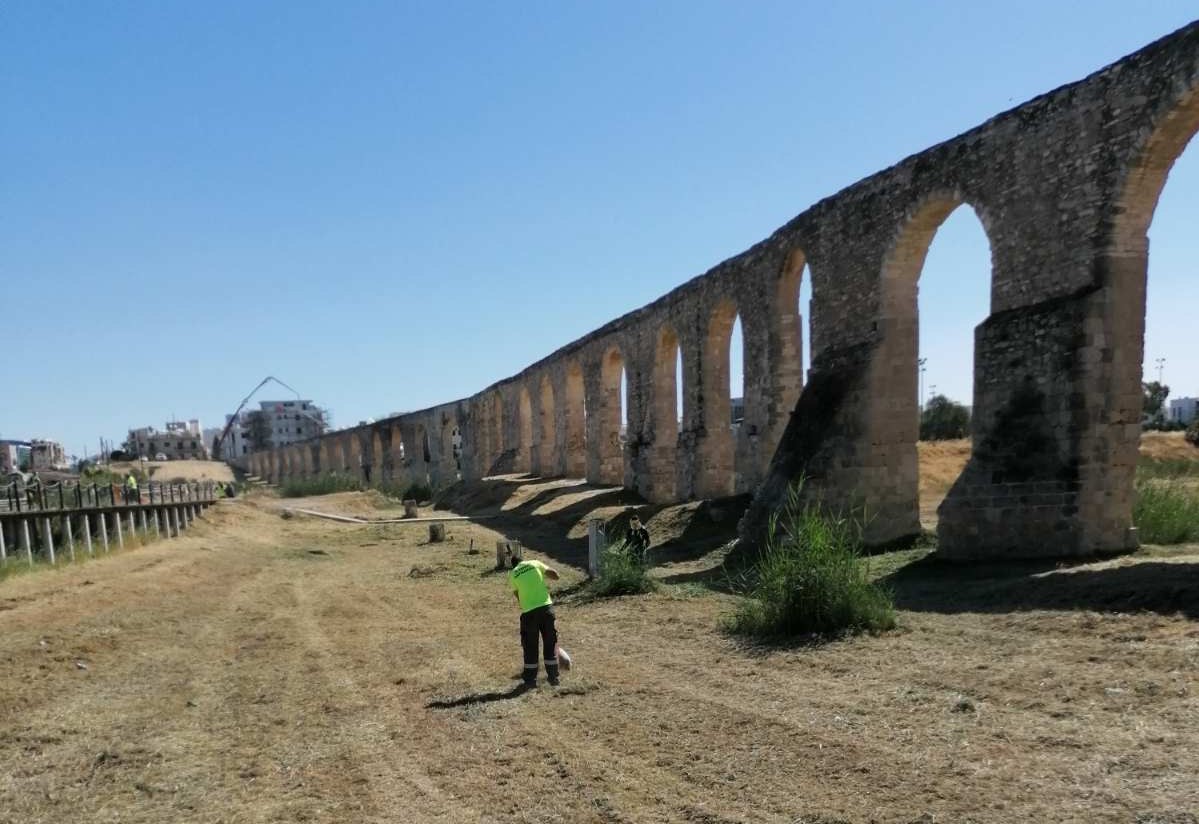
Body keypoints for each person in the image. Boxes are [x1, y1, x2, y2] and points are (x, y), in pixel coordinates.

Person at [508, 555, 562, 687]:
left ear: (514, 565)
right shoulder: (535, 563)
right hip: (546, 609)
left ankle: (530, 680)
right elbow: (555, 575)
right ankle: (553, 677)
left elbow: (518, 596)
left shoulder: (513, 574)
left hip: (529, 613)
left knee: (530, 646)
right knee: (550, 642)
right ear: (523, 560)